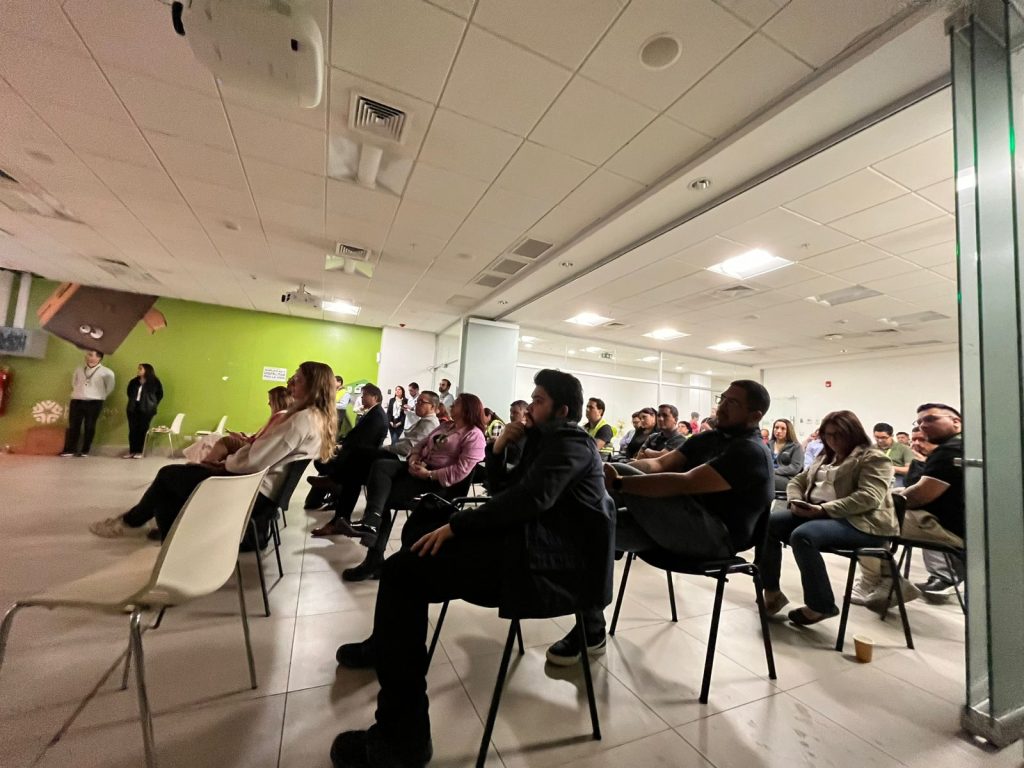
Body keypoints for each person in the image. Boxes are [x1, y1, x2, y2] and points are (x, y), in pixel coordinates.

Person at [330, 369, 614, 768]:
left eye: (538, 401)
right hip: (528, 548)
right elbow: (506, 493)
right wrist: (499, 451)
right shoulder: (546, 441)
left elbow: (530, 500)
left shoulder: (572, 444)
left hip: (548, 567)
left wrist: (458, 526)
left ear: (562, 411)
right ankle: (387, 649)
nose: (529, 409)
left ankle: (402, 740)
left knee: (401, 575)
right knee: (405, 566)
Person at [546, 380, 773, 665]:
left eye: (733, 403)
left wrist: (619, 482)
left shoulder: (750, 451)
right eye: (723, 399)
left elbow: (685, 482)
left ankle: (551, 514)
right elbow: (659, 465)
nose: (723, 407)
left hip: (715, 538)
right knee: (595, 531)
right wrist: (608, 474)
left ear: (755, 415)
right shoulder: (708, 439)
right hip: (674, 526)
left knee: (616, 476)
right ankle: (591, 629)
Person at [89, 361, 337, 540]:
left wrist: (224, 464)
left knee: (167, 476)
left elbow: (256, 460)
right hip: (260, 488)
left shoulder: (301, 420)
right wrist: (228, 462)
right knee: (174, 482)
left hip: (250, 488)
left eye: (298, 379)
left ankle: (135, 524)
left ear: (313, 386)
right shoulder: (316, 419)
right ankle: (167, 532)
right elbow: (262, 455)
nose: (292, 383)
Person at [760, 410, 905, 624]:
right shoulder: (826, 456)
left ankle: (821, 605)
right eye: (827, 435)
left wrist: (824, 510)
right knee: (767, 523)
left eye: (838, 434)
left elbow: (869, 497)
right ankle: (772, 592)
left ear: (853, 433)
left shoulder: (873, 458)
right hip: (821, 515)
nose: (832, 440)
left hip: (862, 523)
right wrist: (795, 500)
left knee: (803, 535)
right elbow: (798, 481)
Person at [336, 393, 487, 581]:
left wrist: (429, 474)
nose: (450, 406)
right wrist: (414, 458)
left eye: (456, 404)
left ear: (467, 409)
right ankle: (372, 523)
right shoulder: (447, 426)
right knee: (381, 465)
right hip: (420, 469)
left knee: (384, 496)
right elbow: (420, 444)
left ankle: (373, 556)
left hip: (438, 482)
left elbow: (460, 471)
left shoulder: (474, 435)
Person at [309, 391, 442, 538]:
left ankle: (335, 482)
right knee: (353, 474)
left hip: (401, 461)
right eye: (418, 401)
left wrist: (386, 448)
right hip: (397, 456)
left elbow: (408, 448)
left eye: (422, 402)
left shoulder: (430, 423)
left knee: (359, 456)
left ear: (433, 406)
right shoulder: (424, 421)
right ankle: (339, 512)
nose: (417, 404)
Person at [897, 403, 965, 599]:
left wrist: (887, 502)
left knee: (872, 518)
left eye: (930, 419)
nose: (923, 425)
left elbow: (919, 495)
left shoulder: (949, 451)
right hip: (966, 525)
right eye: (919, 422)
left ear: (956, 422)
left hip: (954, 530)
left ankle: (884, 580)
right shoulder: (964, 446)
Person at [304, 384, 388, 509]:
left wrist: (341, 447)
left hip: (359, 458)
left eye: (365, 395)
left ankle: (333, 488)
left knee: (324, 461)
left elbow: (363, 441)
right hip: (355, 452)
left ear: (375, 397)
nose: (362, 398)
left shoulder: (376, 416)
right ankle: (324, 493)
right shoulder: (374, 413)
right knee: (324, 459)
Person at [194, 385, 292, 465]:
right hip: (254, 448)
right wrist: (243, 436)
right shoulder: (284, 417)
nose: (268, 403)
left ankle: (205, 464)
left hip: (253, 450)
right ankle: (208, 463)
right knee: (218, 440)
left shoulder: (278, 417)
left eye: (270, 400)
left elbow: (258, 442)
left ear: (277, 401)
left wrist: (242, 438)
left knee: (225, 440)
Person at [60, 349, 116, 457]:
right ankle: (70, 449)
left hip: (94, 402)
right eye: (89, 355)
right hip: (77, 400)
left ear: (99, 358)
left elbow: (110, 387)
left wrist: (100, 396)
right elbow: (74, 383)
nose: (90, 358)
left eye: (93, 355)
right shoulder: (79, 369)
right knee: (73, 425)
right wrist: (79, 392)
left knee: (89, 426)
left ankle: (85, 450)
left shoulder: (107, 372)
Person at [123, 363, 163, 459]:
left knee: (142, 430)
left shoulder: (154, 382)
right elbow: (129, 392)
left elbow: (160, 394)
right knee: (132, 430)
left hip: (147, 409)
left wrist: (153, 404)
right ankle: (132, 451)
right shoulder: (134, 381)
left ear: (147, 370)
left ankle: (140, 451)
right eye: (138, 369)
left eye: (140, 369)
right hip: (133, 408)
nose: (138, 370)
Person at [873, 422, 914, 487]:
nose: (880, 440)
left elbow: (910, 469)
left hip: (896, 477)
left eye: (884, 437)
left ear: (892, 436)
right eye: (877, 437)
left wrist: (892, 468)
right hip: (875, 477)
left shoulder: (904, 449)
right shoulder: (870, 449)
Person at [769, 418, 804, 492]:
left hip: (787, 478)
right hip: (770, 474)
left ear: (789, 431)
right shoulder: (769, 444)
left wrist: (774, 471)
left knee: (764, 478)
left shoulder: (796, 447)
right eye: (776, 427)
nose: (779, 431)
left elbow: (795, 467)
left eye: (783, 428)